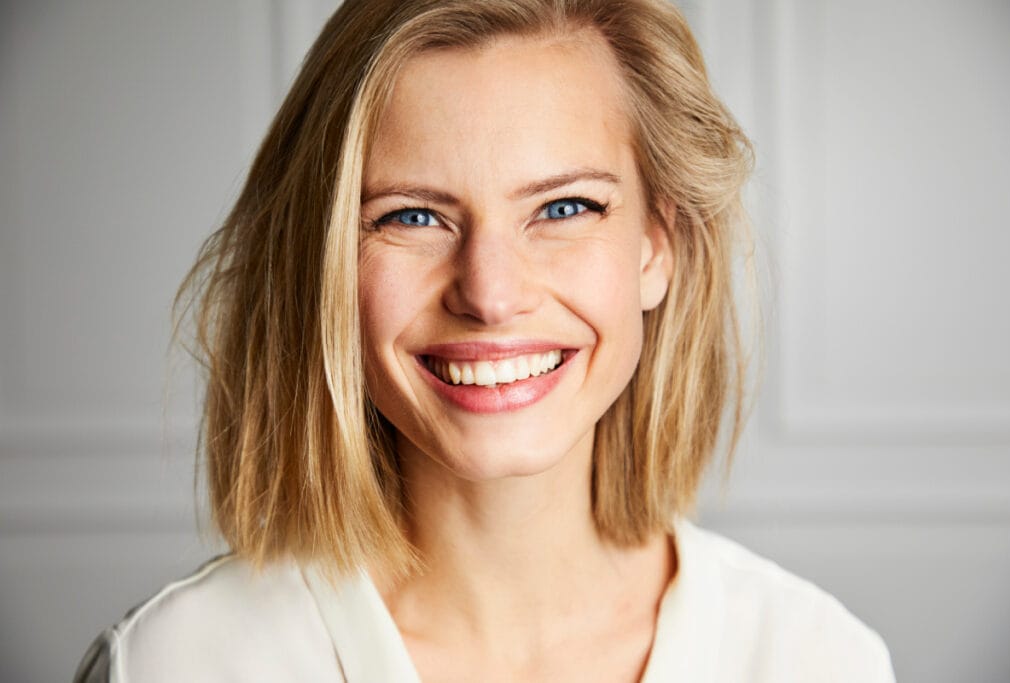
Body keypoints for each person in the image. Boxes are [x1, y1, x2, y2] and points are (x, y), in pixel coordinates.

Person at [75, 0, 895, 680]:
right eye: (412, 216)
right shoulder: (171, 663)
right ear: (323, 261)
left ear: (657, 245)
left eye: (565, 207)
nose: (490, 294)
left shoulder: (816, 658)